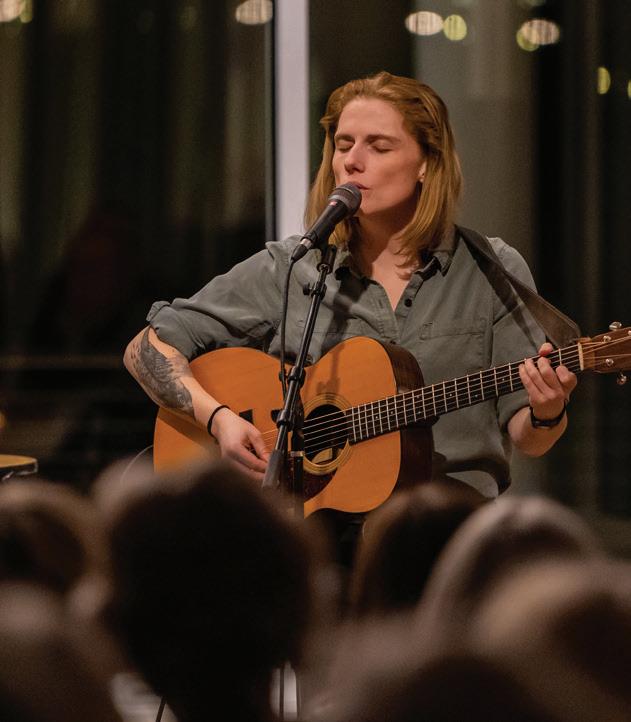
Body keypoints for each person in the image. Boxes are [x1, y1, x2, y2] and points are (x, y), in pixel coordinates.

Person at [124, 70, 576, 503]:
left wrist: (547, 410)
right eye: (343, 145)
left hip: (449, 528)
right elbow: (146, 347)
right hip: (321, 530)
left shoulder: (491, 269)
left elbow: (530, 438)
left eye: (378, 146)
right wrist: (219, 420)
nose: (352, 161)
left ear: (426, 163)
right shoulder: (293, 267)